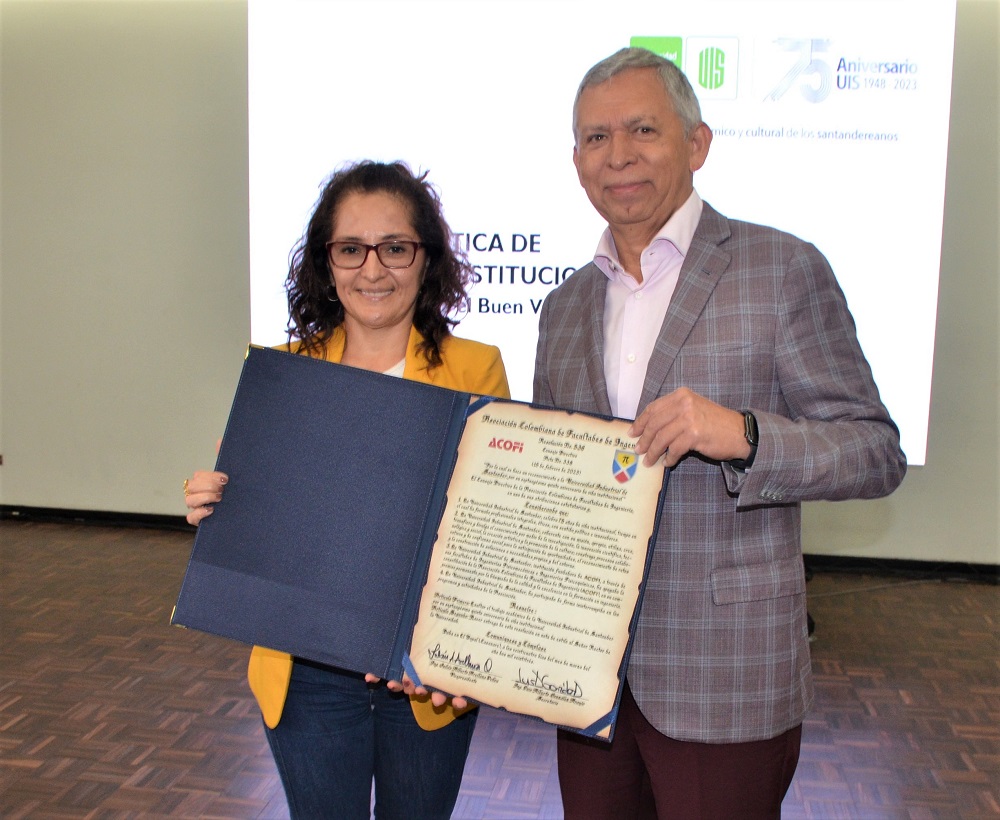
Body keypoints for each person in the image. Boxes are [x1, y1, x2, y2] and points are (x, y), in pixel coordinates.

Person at [533, 48, 907, 819]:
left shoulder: (782, 270)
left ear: (696, 144)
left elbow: (875, 450)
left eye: (643, 129)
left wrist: (744, 433)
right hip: (588, 676)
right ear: (575, 161)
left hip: (724, 675)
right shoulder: (563, 307)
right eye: (596, 137)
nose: (618, 155)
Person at [183, 160, 509, 819]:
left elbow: (492, 530)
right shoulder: (285, 371)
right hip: (306, 674)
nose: (373, 269)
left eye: (395, 248)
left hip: (424, 678)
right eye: (351, 249)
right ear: (327, 263)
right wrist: (217, 503)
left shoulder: (476, 368)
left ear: (426, 258)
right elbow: (265, 517)